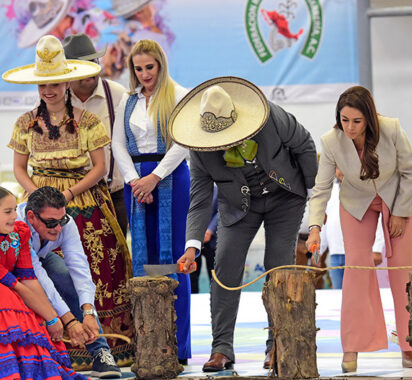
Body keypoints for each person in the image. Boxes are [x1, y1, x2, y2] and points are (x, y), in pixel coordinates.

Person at [171, 77, 318, 372]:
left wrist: (312, 192)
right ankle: (221, 347)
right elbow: (199, 200)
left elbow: (304, 145)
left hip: (285, 197)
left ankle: (277, 344)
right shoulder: (199, 149)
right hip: (237, 207)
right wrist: (192, 246)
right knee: (225, 266)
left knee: (278, 265)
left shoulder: (272, 117)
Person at [5, 35, 134, 367]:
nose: (49, 90)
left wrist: (69, 193)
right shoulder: (24, 124)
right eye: (42, 85)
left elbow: (101, 166)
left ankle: (106, 346)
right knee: (35, 272)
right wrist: (37, 196)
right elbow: (19, 167)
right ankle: (55, 350)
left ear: (66, 82)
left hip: (85, 202)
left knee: (96, 268)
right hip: (36, 202)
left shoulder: (88, 121)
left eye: (55, 84)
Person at [305, 85, 412, 373]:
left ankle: (409, 343)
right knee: (356, 270)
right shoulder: (331, 141)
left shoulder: (391, 128)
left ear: (369, 117)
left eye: (357, 121)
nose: (350, 127)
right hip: (356, 203)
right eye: (344, 120)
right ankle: (352, 347)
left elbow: (410, 171)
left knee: (401, 270)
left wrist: (401, 212)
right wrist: (315, 227)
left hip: (397, 198)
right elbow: (320, 188)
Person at [110, 39, 191, 363]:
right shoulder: (128, 101)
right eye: (138, 68)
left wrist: (154, 177)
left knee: (173, 257)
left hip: (170, 176)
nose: (144, 73)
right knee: (144, 258)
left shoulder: (179, 95)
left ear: (160, 64)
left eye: (149, 67)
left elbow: (183, 142)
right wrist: (134, 181)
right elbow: (117, 145)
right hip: (136, 181)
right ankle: (149, 343)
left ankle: (179, 346)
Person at [19, 186, 121, 378]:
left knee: (66, 277)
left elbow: (79, 267)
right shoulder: (19, 225)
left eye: (61, 220)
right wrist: (70, 320)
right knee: (47, 281)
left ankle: (101, 352)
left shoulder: (66, 223)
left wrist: (88, 312)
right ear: (31, 217)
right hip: (15, 267)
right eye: (51, 223)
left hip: (39, 258)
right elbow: (38, 276)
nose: (58, 228)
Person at [0, 186, 87, 380]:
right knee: (8, 298)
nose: (15, 216)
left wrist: (52, 318)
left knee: (33, 309)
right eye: (8, 212)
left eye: (15, 209)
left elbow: (29, 279)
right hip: (8, 290)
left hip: (15, 288)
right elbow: (15, 284)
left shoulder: (19, 232)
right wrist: (52, 316)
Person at [63, 33, 129, 236]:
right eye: (83, 64)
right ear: (67, 70)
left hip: (113, 195)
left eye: (93, 61)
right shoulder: (56, 98)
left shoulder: (118, 94)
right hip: (70, 197)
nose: (91, 68)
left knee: (115, 261)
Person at [320, 168, 385, 289]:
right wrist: (319, 251)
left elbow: (377, 219)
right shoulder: (329, 192)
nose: (342, 170)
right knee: (338, 295)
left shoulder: (365, 191)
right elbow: (324, 222)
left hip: (358, 254)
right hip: (335, 254)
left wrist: (377, 249)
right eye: (339, 166)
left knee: (358, 293)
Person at [190, 186, 217, 294]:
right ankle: (193, 302)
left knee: (215, 275)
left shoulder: (218, 190)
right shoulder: (187, 189)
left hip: (213, 241)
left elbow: (222, 211)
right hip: (192, 240)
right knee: (192, 275)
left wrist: (210, 230)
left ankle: (218, 303)